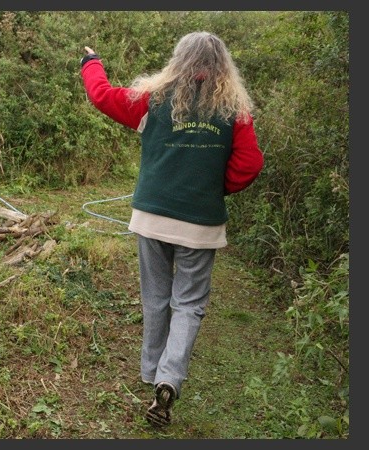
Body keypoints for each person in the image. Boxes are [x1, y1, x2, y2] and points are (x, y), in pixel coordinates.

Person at [79, 31, 264, 428]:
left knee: (155, 296)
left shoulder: (154, 99)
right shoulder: (235, 109)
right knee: (189, 304)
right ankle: (169, 377)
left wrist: (91, 62)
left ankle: (151, 373)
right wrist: (215, 186)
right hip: (201, 225)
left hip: (152, 218)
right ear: (222, 65)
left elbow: (102, 95)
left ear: (178, 60)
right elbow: (249, 163)